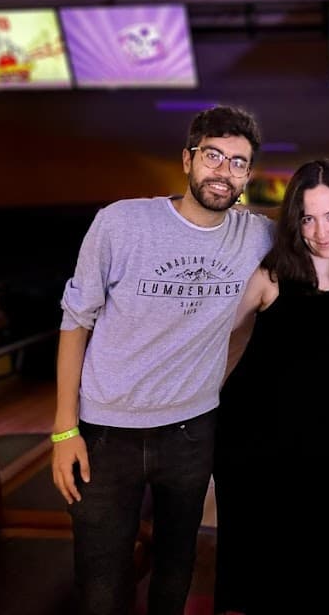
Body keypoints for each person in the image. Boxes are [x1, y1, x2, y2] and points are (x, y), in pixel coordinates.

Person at [51, 105, 275, 615]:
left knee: (175, 573)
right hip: (105, 433)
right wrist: (65, 430)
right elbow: (74, 320)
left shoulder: (256, 236)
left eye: (239, 163)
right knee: (102, 586)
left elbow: (321, 239)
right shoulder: (121, 222)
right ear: (187, 159)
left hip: (192, 433)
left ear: (248, 175)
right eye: (213, 156)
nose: (225, 171)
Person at [213, 159, 329, 615]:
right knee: (261, 573)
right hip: (256, 444)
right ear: (294, 222)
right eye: (308, 217)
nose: (321, 231)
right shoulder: (270, 277)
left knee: (322, 565)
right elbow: (217, 344)